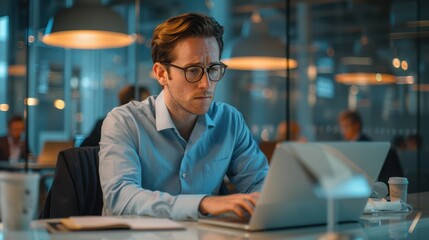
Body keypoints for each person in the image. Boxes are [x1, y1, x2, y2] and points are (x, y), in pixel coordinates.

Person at [99, 13, 268, 221]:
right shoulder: (124, 122)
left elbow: (262, 185)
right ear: (161, 74)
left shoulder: (229, 121)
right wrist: (203, 203)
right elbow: (121, 199)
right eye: (193, 70)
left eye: (213, 69)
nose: (206, 83)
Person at [337, 110, 403, 184]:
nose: (342, 131)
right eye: (342, 127)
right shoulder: (355, 145)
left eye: (346, 126)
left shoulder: (365, 147)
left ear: (356, 126)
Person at [80, 85, 150, 147]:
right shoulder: (107, 123)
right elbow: (84, 151)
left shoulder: (145, 126)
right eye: (144, 103)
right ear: (132, 103)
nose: (148, 107)